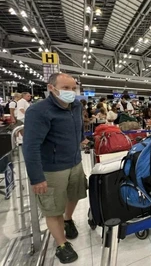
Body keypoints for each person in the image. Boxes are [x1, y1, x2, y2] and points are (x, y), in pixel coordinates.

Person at [23, 73, 88, 264]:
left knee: (75, 195)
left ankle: (68, 220)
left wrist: (81, 137)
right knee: (53, 208)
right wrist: (36, 178)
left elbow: (79, 125)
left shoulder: (76, 106)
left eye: (73, 88)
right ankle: (61, 244)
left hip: (75, 162)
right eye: (65, 88)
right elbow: (30, 146)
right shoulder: (38, 111)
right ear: (51, 88)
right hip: (51, 169)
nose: (70, 92)